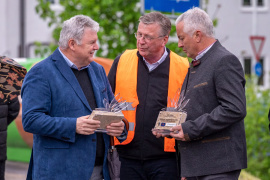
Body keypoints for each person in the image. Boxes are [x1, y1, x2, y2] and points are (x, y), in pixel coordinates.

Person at [22, 15, 126, 180]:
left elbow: (113, 108)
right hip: (60, 171)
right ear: (72, 44)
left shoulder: (97, 70)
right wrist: (73, 125)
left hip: (101, 170)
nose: (97, 47)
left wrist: (120, 126)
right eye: (91, 42)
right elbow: (31, 120)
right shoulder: (41, 72)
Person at [154, 7, 247, 180]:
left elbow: (234, 108)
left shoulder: (224, 61)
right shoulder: (198, 63)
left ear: (197, 35)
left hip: (218, 165)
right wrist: (169, 125)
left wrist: (189, 129)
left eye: (181, 38)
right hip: (198, 166)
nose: (179, 44)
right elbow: (197, 107)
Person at [108, 11, 189, 180]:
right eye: (139, 34)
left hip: (167, 159)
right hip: (127, 157)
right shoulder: (122, 60)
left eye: (148, 37)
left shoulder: (183, 67)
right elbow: (107, 102)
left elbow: (193, 110)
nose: (141, 41)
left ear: (164, 39)